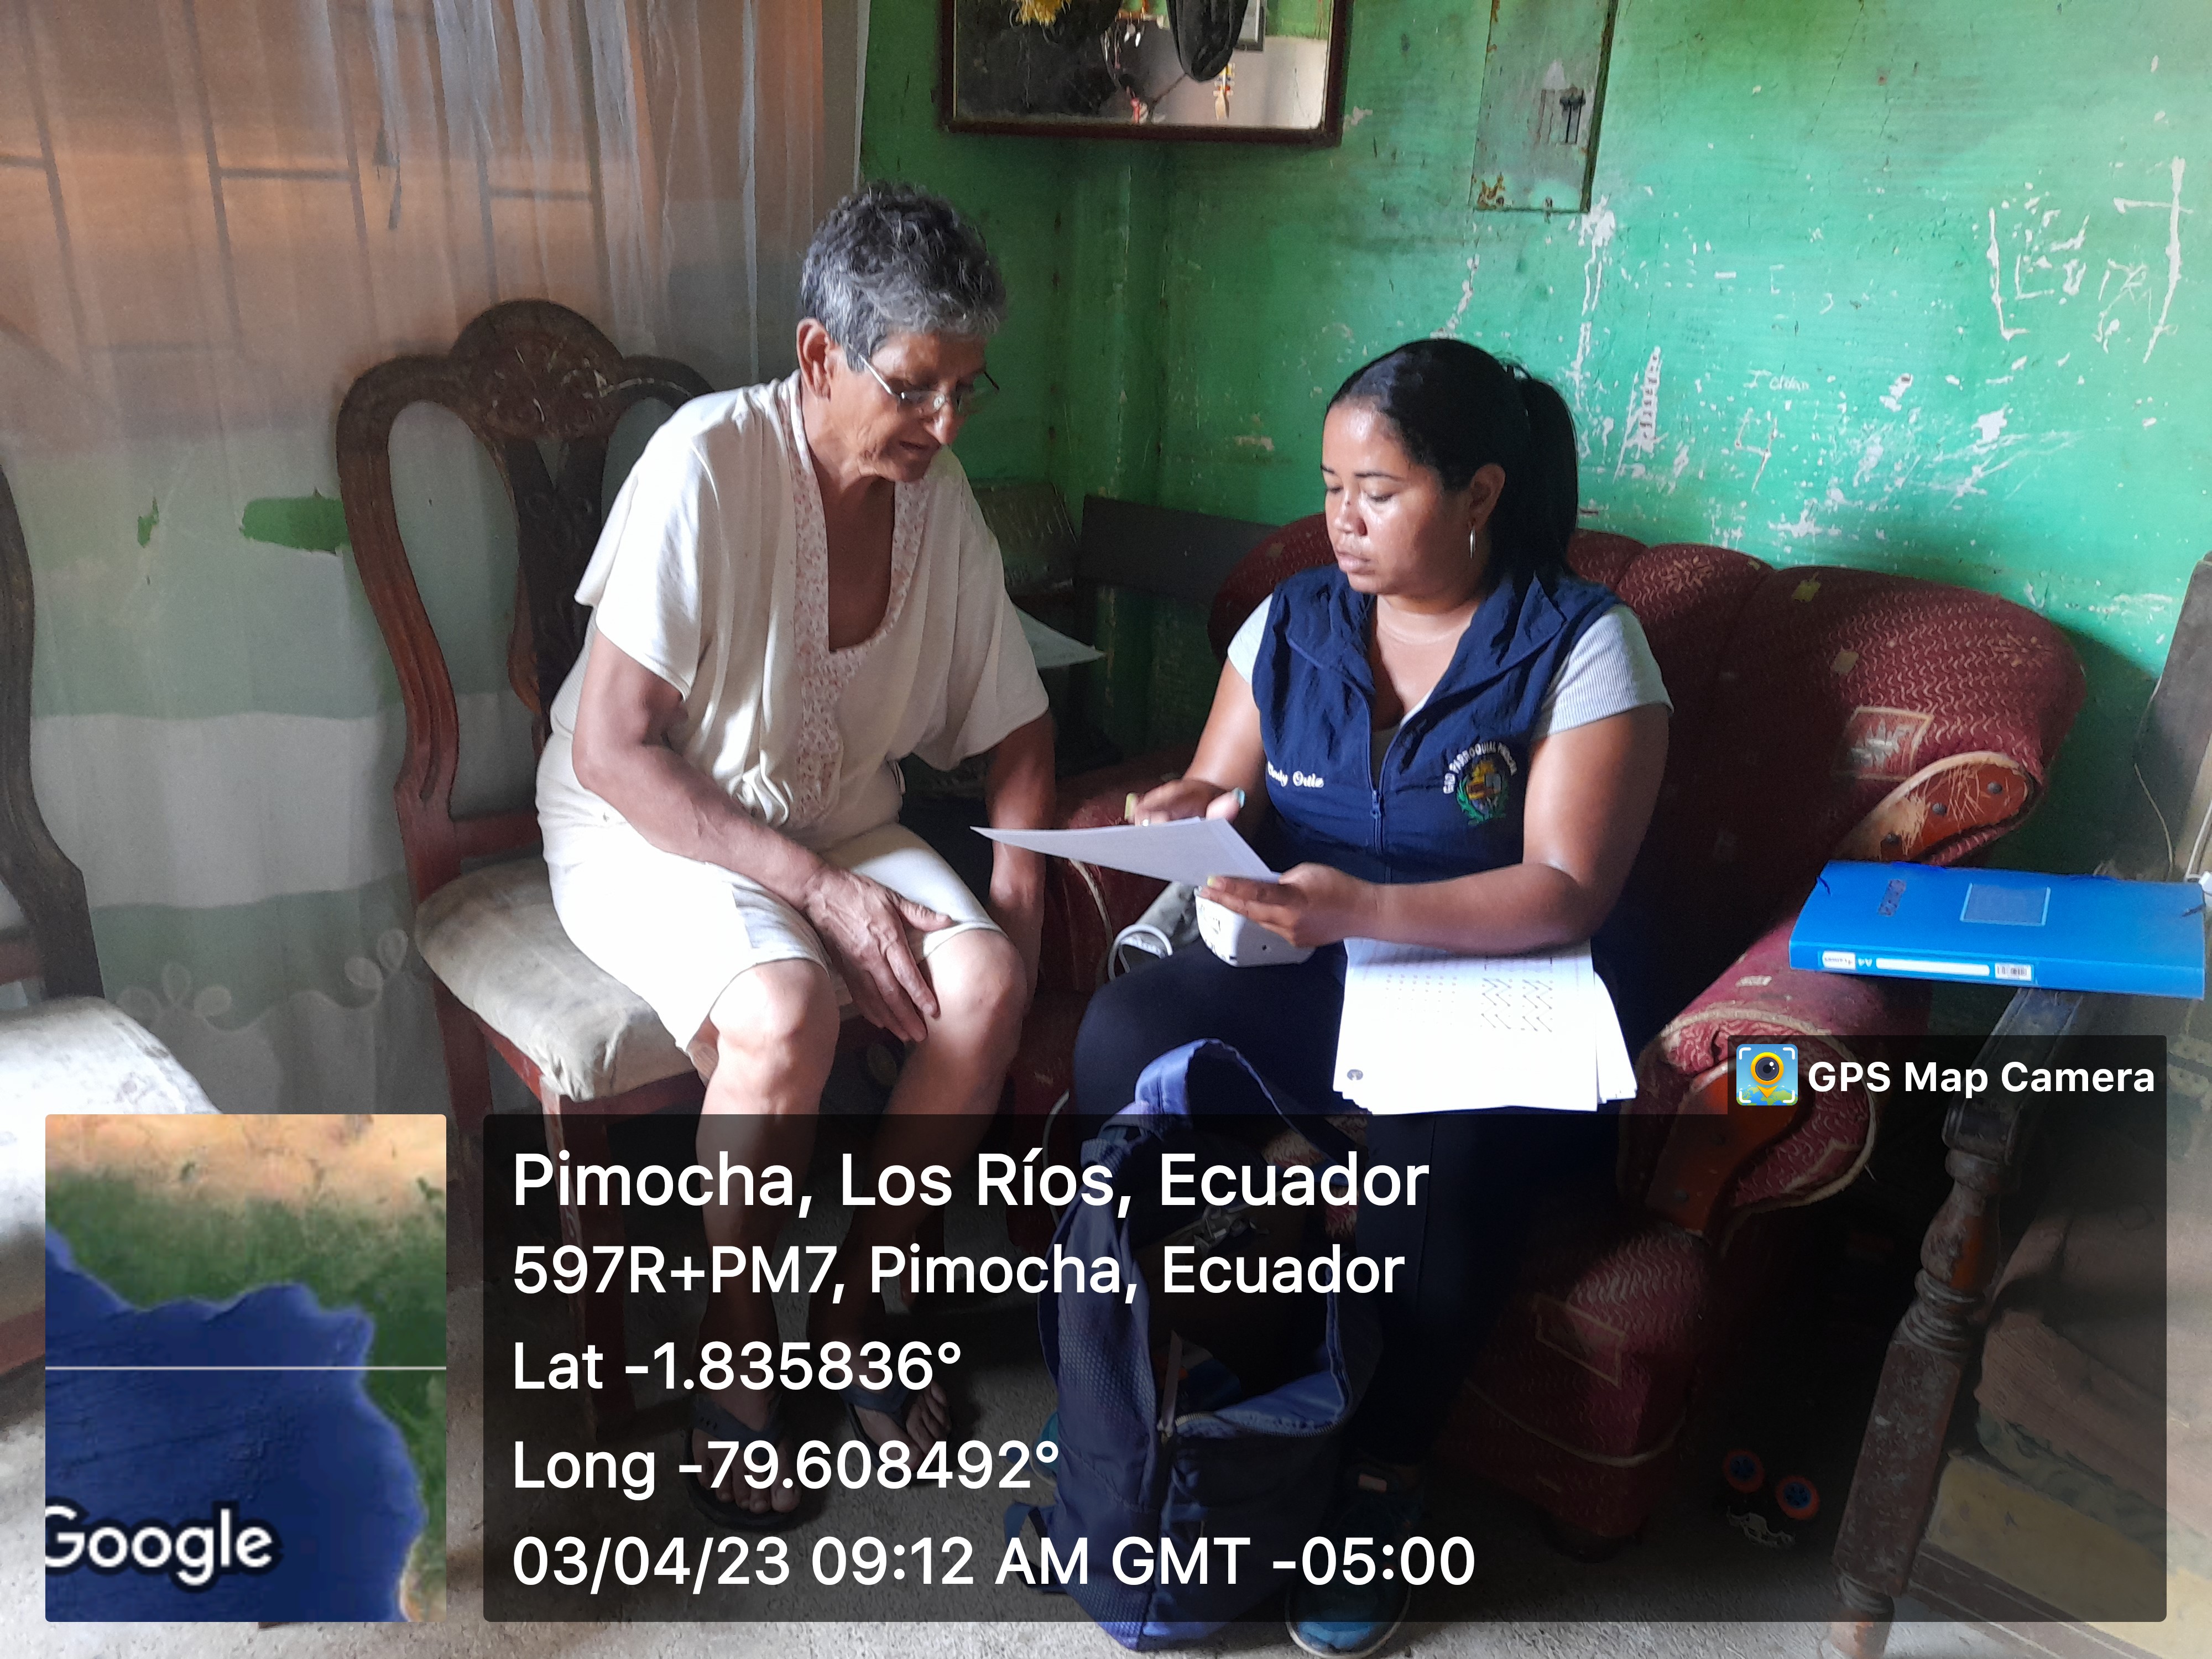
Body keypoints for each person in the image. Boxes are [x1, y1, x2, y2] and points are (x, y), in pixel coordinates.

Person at [1070, 339, 1672, 1656]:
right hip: (1313, 960)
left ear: (1479, 493)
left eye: (1379, 491)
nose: (1340, 519)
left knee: (1442, 1163)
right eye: (1331, 486)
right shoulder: (1289, 621)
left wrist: (1359, 908)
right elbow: (1223, 787)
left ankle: (1386, 1471)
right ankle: (1252, 1333)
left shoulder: (1580, 643)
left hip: (1491, 976)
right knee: (1122, 1039)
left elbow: (1565, 888)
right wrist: (1188, 808)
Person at [535, 184, 1055, 1529]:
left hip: (833, 806)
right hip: (650, 815)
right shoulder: (705, 463)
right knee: (784, 1007)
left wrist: (1015, 928)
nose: (945, 424)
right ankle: (737, 1336)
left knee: (984, 986)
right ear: (821, 355)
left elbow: (1018, 727)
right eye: (914, 387)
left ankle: (854, 1298)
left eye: (966, 391)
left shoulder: (937, 497)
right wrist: (821, 897)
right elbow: (613, 750)